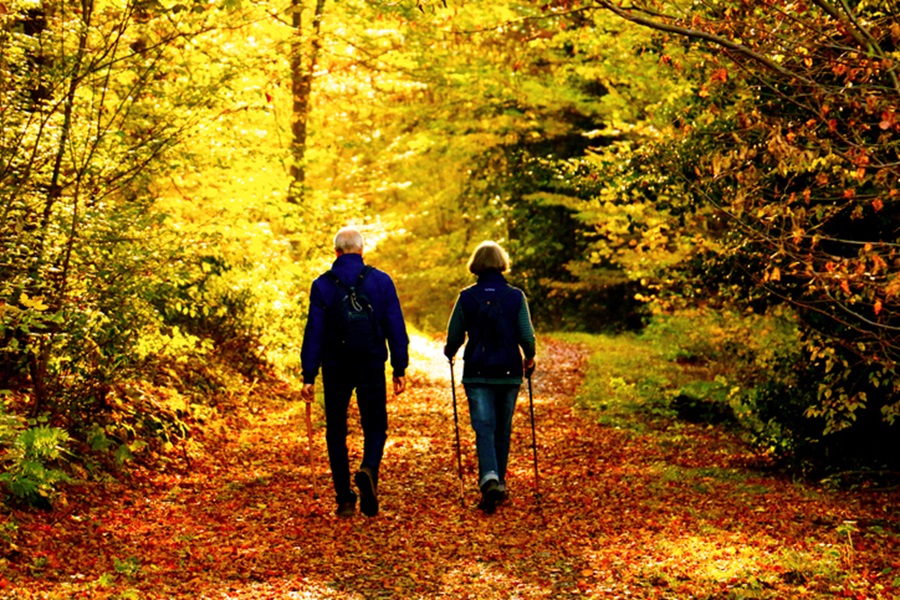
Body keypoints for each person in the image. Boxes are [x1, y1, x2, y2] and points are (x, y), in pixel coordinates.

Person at [300, 227, 409, 518]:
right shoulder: (381, 281)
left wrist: (308, 374)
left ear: (336, 252)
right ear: (362, 251)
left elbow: (315, 331)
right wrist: (399, 366)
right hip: (371, 362)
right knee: (375, 425)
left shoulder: (322, 285)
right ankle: (369, 469)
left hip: (335, 365)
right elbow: (394, 325)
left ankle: (345, 498)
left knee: (336, 430)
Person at [444, 241, 536, 514]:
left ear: (476, 265)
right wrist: (529, 357)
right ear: (501, 264)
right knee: (501, 428)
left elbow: (455, 334)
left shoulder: (466, 297)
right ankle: (498, 482)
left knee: (484, 427)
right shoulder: (516, 297)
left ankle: (490, 480)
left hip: (478, 371)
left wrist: (450, 352)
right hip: (508, 371)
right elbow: (526, 335)